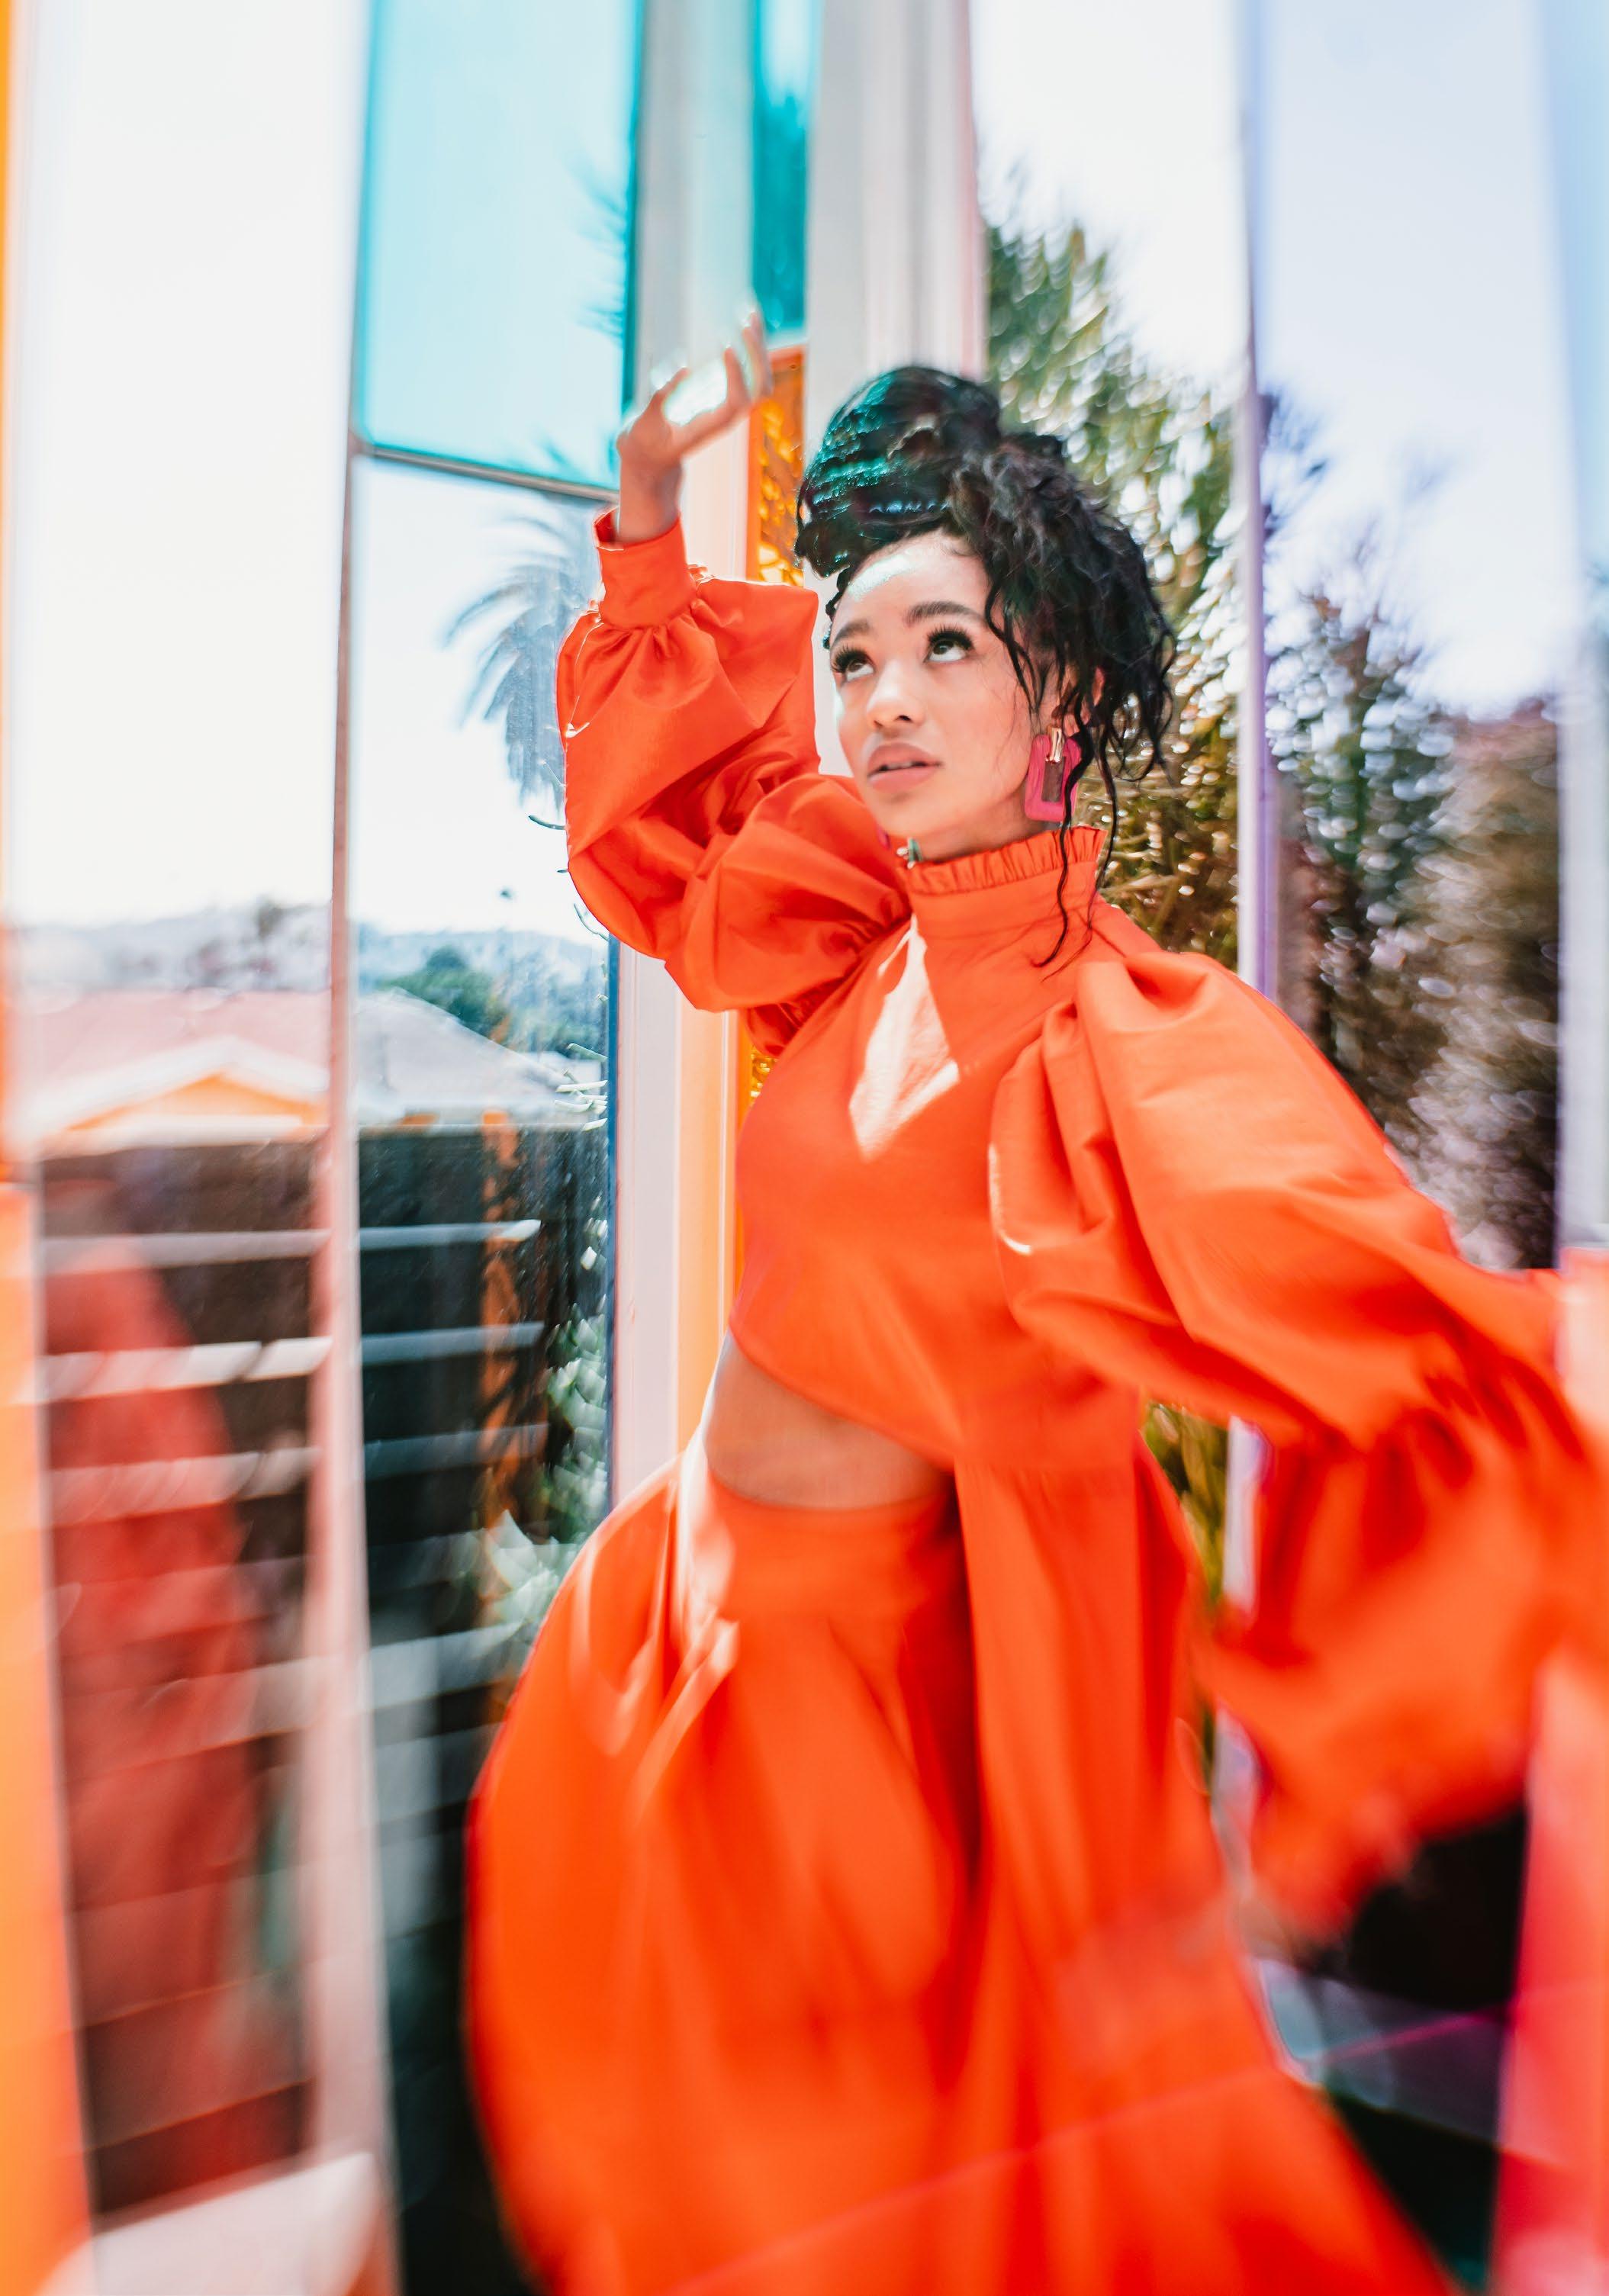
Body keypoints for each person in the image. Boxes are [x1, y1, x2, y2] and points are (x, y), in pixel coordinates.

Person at [467, 312, 1604, 2293]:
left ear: (1055, 687)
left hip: (857, 1746)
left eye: (947, 647)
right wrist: (645, 515)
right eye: (853, 655)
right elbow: (682, 834)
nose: (885, 700)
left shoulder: (1127, 1040)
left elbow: (1450, 1389)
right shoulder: (852, 927)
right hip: (670, 1634)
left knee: (827, 2233)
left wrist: (1285, 1864)